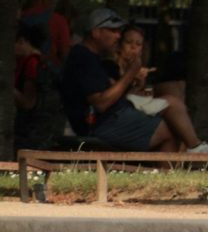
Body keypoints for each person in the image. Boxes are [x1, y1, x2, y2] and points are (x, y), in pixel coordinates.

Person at [58, 8, 179, 152]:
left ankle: (187, 154)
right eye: (112, 31)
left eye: (119, 31)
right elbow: (101, 103)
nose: (118, 36)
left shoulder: (92, 58)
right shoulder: (83, 57)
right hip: (100, 125)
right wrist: (130, 73)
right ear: (96, 32)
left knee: (173, 118)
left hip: (111, 119)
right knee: (170, 129)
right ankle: (183, 160)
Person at [115, 24, 205, 150]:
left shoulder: (139, 69)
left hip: (139, 110)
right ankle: (195, 146)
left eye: (138, 44)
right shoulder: (112, 67)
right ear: (119, 45)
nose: (133, 47)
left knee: (174, 118)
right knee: (172, 103)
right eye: (128, 42)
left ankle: (179, 163)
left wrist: (140, 84)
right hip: (119, 117)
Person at [11, 21, 66, 155]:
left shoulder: (32, 64)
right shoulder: (44, 62)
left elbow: (28, 103)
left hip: (33, 131)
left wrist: (7, 87)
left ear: (22, 41)